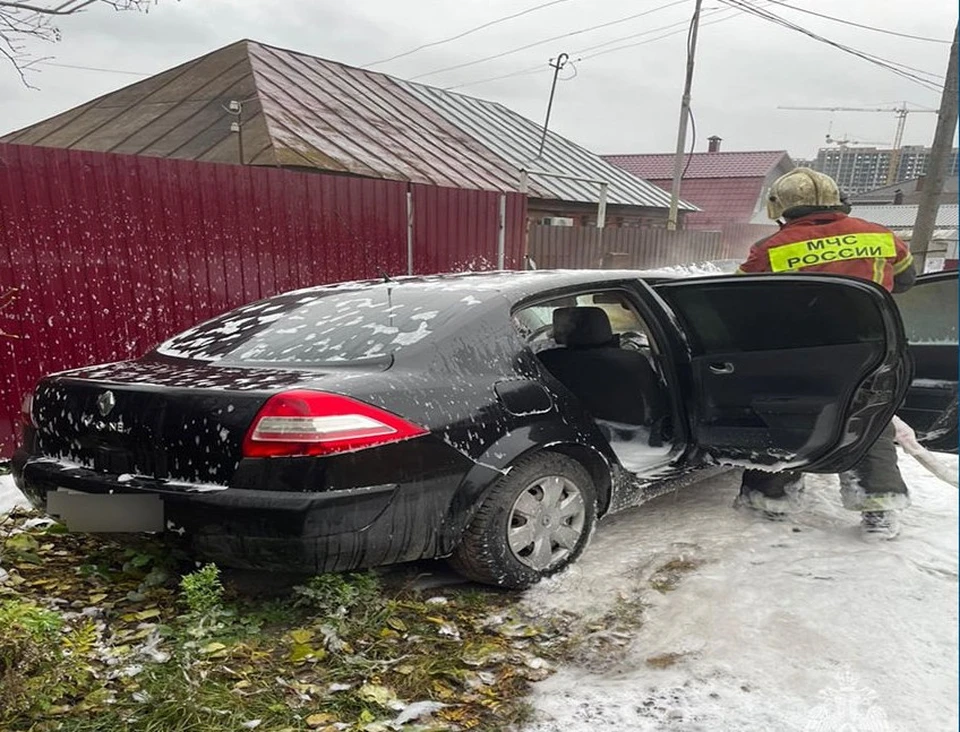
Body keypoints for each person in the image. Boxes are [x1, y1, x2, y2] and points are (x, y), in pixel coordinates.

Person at [734, 167, 917, 540]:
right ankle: (879, 510)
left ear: (780, 208)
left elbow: (738, 299)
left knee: (788, 420)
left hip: (800, 354)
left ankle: (770, 500)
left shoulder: (771, 249)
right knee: (869, 421)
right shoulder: (882, 237)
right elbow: (906, 281)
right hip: (871, 353)